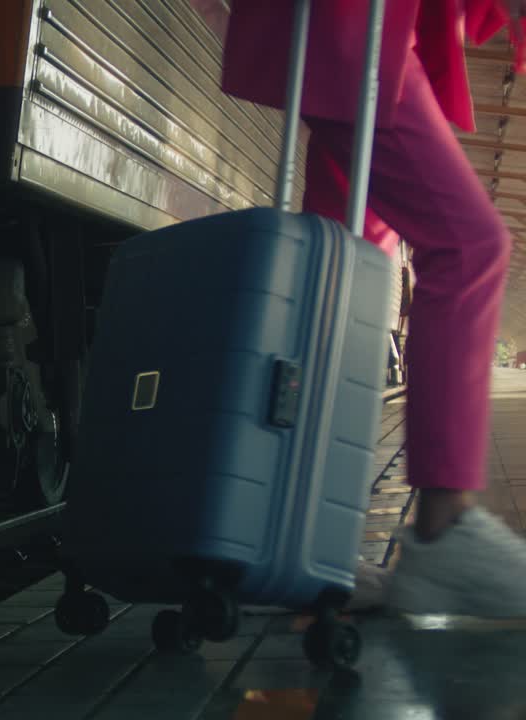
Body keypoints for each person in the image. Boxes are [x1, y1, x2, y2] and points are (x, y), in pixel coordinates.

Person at [221, 0, 526, 616]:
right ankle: (445, 530)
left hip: (366, 35)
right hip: (356, 30)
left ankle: (296, 534)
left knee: (342, 277)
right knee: (469, 245)